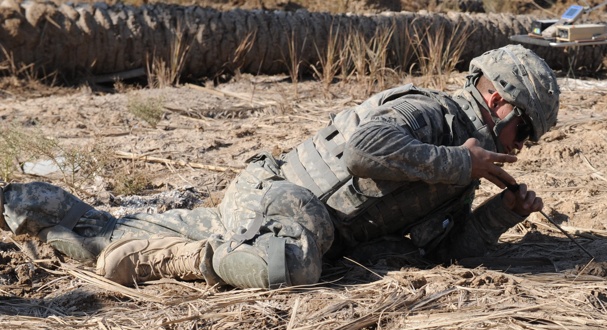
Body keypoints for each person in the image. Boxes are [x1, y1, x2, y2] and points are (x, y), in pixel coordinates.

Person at [0, 45, 560, 289]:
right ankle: (176, 262)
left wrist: (501, 213)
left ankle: (31, 208)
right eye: (525, 131)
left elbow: (447, 252)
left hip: (286, 216)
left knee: (103, 233)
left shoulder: (460, 164)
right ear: (499, 104)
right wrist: (462, 163)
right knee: (291, 267)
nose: (522, 146)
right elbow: (364, 148)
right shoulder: (430, 116)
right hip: (279, 199)